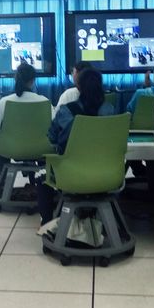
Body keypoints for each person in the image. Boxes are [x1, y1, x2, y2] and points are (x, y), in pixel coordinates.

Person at [38, 67, 115, 224]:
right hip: (107, 174)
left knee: (43, 179)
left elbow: (52, 138)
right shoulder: (110, 110)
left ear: (78, 87)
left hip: (71, 174)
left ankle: (46, 224)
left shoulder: (66, 111)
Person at [0, 62, 52, 174]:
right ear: (33, 80)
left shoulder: (3, 102)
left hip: (11, 148)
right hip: (41, 148)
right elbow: (52, 123)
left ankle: (3, 178)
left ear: (15, 79)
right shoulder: (45, 102)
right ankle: (48, 179)